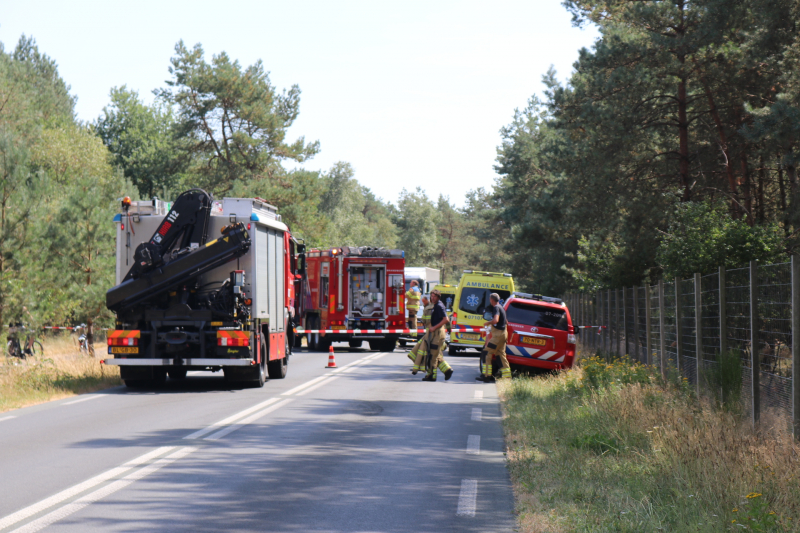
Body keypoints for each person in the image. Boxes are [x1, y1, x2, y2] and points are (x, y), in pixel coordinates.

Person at [477, 293, 510, 382]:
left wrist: (488, 323)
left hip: (498, 336)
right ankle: (507, 378)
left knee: (486, 353)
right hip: (503, 335)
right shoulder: (501, 307)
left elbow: (496, 320)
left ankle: (486, 376)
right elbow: (506, 322)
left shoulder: (496, 308)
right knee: (500, 355)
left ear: (491, 300)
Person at [421, 289, 453, 382]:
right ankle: (447, 370)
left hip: (438, 334)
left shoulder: (439, 306)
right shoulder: (435, 305)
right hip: (435, 333)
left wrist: (434, 327)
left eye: (435, 296)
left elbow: (446, 319)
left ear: (438, 297)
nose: (433, 298)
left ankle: (431, 376)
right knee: (436, 354)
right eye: (432, 296)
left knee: (433, 356)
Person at [407, 295, 433, 374]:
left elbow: (425, 320)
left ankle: (419, 368)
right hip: (430, 333)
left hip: (431, 333)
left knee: (426, 352)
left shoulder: (429, 308)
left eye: (424, 301)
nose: (423, 303)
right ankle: (421, 367)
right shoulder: (429, 307)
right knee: (422, 351)